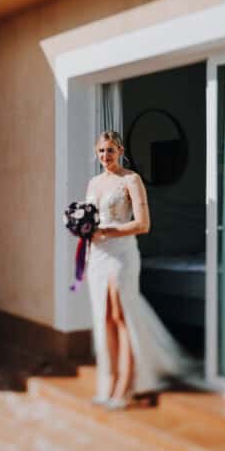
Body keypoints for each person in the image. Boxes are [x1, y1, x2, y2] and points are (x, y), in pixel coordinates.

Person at [84, 130, 189, 410]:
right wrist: (84, 231)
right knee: (103, 318)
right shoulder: (94, 183)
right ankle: (109, 381)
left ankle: (127, 385)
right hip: (97, 256)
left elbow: (143, 225)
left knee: (121, 317)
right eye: (101, 151)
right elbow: (90, 220)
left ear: (120, 150)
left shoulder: (131, 180)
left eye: (110, 150)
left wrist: (108, 230)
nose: (105, 156)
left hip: (121, 255)